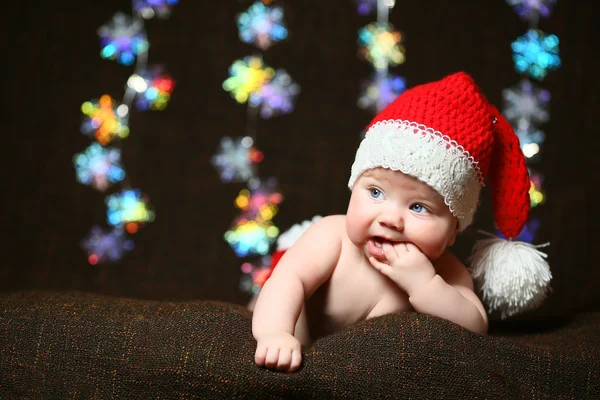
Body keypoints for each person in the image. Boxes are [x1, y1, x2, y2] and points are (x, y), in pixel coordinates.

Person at [250, 72, 552, 373]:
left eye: (419, 207)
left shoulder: (445, 273)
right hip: (294, 338)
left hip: (356, 366)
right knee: (285, 305)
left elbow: (476, 325)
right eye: (376, 192)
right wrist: (275, 333)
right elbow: (287, 281)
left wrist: (425, 285)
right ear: (354, 186)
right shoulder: (333, 236)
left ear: (453, 230)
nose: (391, 219)